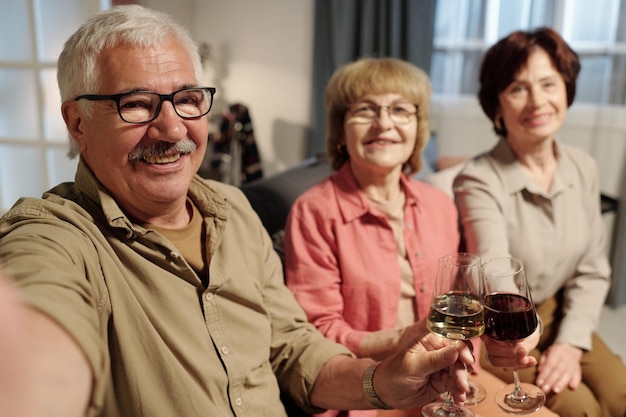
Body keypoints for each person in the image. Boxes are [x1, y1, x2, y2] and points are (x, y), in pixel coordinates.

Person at [0, 5, 488, 417]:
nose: (172, 130)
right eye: (136, 104)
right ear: (77, 122)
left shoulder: (233, 209)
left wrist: (383, 381)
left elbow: (296, 349)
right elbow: (39, 325)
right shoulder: (54, 237)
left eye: (187, 100)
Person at [283, 57, 538, 417]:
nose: (383, 122)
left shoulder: (439, 204)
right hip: (368, 390)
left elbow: (467, 292)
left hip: (451, 380)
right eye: (365, 110)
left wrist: (500, 338)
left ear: (417, 129)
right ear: (341, 129)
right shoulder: (313, 212)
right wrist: (400, 340)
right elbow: (317, 330)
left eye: (400, 110)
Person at [453, 27, 626, 417]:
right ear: (496, 104)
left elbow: (592, 270)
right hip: (506, 322)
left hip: (561, 311)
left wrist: (570, 343)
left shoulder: (583, 167)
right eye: (518, 88)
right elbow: (494, 273)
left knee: (620, 395)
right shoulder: (479, 178)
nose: (538, 100)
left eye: (549, 83)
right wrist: (527, 339)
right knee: (580, 408)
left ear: (566, 89)